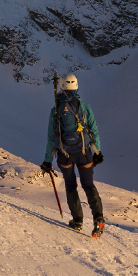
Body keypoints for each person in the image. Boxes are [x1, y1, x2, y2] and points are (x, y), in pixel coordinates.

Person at [40, 73, 105, 235]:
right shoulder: (85, 106)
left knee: (70, 186)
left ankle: (77, 221)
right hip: (84, 153)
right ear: (76, 86)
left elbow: (51, 138)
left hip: (65, 155)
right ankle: (98, 219)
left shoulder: (55, 109)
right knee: (88, 185)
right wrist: (97, 152)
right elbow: (94, 131)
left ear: (61, 86)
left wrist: (47, 160)